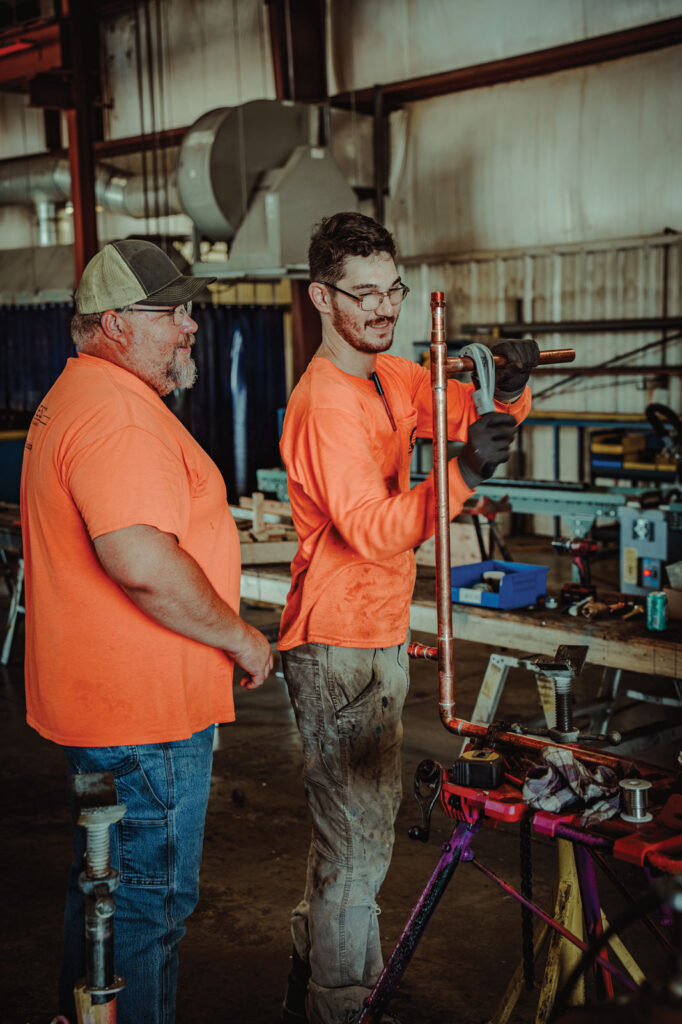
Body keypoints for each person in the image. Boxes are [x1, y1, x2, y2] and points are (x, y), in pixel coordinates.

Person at [277, 212, 539, 1024]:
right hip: (338, 642)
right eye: (365, 294)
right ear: (322, 297)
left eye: (393, 289)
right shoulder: (325, 402)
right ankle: (345, 1006)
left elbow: (477, 418)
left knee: (346, 837)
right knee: (361, 847)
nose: (385, 307)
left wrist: (514, 385)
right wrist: (460, 477)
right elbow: (372, 527)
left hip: (374, 629)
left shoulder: (390, 377)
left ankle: (313, 972)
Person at [20, 238, 273, 1024]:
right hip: (142, 723)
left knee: (104, 889)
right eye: (174, 313)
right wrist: (240, 637)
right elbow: (140, 562)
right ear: (118, 324)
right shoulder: (120, 417)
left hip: (105, 712)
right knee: (147, 907)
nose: (191, 327)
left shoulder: (84, 395)